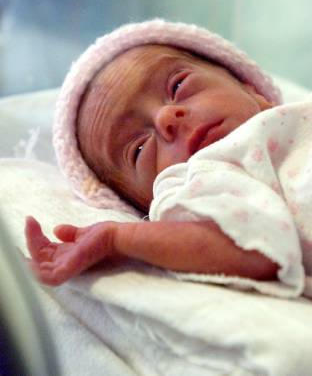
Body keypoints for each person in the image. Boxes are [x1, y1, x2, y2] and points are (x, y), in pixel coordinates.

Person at [25, 20, 308, 298]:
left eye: (178, 86)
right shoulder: (199, 177)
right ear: (146, 203)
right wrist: (118, 239)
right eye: (138, 149)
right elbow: (254, 246)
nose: (166, 118)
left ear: (251, 88)